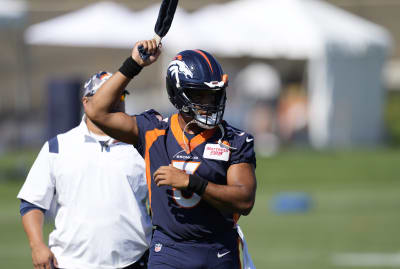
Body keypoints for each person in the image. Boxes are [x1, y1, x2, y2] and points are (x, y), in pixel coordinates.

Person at [84, 40, 257, 269]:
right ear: (178, 94)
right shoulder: (153, 130)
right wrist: (134, 64)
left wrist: (192, 182)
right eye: (201, 95)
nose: (210, 103)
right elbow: (96, 110)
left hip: (218, 249)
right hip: (169, 251)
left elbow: (244, 200)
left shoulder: (234, 140)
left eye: (214, 95)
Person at [17, 71, 152, 269]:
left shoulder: (144, 145)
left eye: (120, 95)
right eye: (106, 95)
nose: (114, 101)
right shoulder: (58, 146)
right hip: (70, 262)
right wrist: (37, 245)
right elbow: (32, 201)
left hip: (133, 261)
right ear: (86, 102)